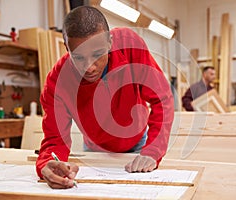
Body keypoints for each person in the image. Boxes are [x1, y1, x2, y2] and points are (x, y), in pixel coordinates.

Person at [36, 6, 174, 189]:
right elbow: (55, 140)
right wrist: (48, 163)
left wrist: (153, 150)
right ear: (66, 48)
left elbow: (162, 98)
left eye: (97, 54)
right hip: (95, 149)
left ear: (110, 42)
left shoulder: (129, 45)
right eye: (78, 57)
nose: (89, 67)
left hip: (139, 144)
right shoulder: (57, 82)